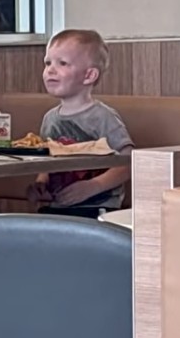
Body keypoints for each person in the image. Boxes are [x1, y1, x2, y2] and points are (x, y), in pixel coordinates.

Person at [27, 29, 134, 218]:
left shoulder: (102, 117)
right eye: (48, 63)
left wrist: (93, 186)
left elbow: (128, 162)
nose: (50, 70)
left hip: (98, 210)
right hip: (59, 208)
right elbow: (47, 160)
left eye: (63, 63)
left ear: (89, 75)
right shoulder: (50, 118)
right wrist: (41, 182)